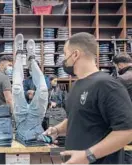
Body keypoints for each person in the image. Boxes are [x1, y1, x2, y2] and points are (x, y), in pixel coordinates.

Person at [43, 32, 132, 164]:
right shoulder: (76, 85)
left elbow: (127, 132)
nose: (64, 60)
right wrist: (57, 130)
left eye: (65, 54)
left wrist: (88, 155)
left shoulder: (107, 85)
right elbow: (79, 118)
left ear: (75, 54)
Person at [13, 34, 48, 146]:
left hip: (32, 118)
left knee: (42, 90)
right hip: (24, 121)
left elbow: (47, 92)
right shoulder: (27, 80)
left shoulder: (46, 79)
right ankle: (23, 56)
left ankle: (29, 58)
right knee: (18, 88)